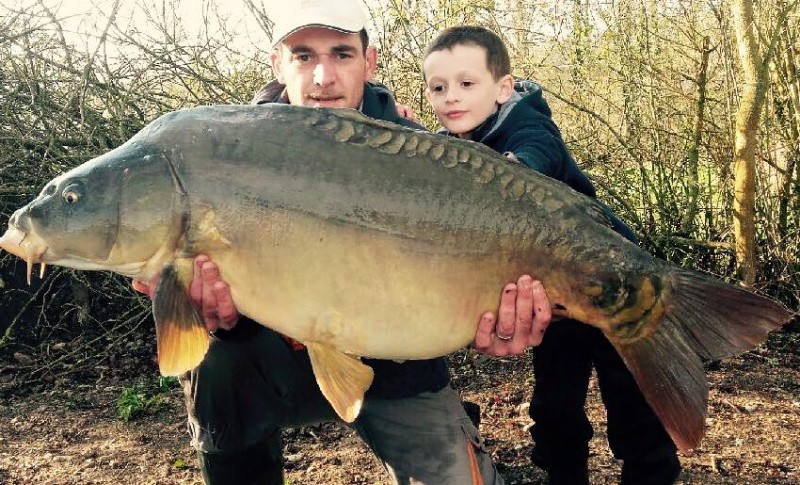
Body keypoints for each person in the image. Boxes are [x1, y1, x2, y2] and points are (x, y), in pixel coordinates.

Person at [133, 4, 551, 485]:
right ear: (278, 64)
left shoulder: (419, 154)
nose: (323, 77)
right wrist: (211, 315)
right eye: (303, 55)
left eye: (342, 54)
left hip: (395, 366)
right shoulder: (227, 152)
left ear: (369, 62)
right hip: (263, 360)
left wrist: (495, 317)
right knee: (218, 360)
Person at [421, 26, 682, 485]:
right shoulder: (448, 149)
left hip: (610, 286)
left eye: (466, 83)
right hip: (554, 303)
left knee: (632, 399)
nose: (451, 97)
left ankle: (651, 473)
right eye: (438, 88)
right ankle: (564, 475)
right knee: (555, 406)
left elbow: (536, 156)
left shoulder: (528, 124)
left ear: (503, 88)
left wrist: (511, 174)